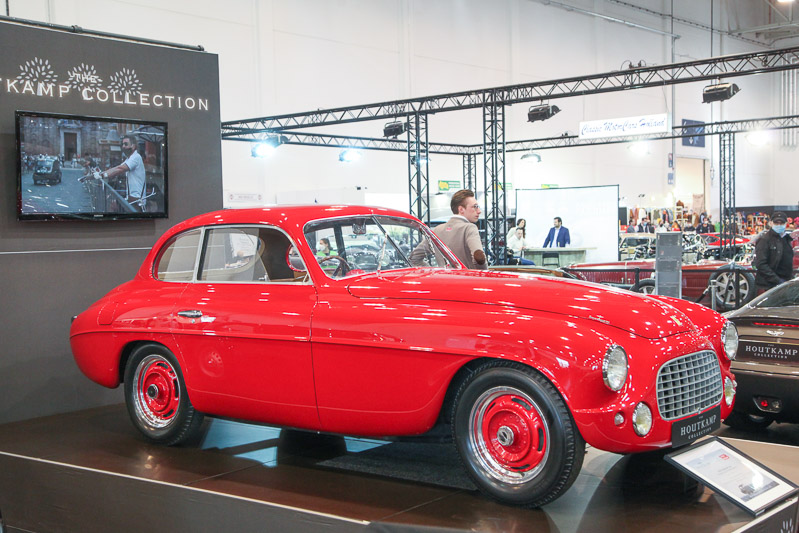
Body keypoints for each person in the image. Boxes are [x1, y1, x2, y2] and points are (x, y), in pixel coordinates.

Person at [410, 189, 487, 269]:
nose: (479, 211)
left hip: (443, 279)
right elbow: (478, 258)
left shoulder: (437, 230)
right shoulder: (470, 228)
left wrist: (434, 271)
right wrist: (484, 276)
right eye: (475, 207)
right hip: (468, 279)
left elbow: (414, 258)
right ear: (461, 209)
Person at [96, 134, 146, 209]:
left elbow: (120, 169)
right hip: (132, 198)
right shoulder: (129, 159)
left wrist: (103, 175)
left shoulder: (136, 157)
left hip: (137, 199)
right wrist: (101, 173)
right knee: (113, 207)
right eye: (122, 144)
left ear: (133, 146)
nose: (123, 146)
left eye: (126, 144)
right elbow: (117, 168)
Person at [754, 211, 794, 292]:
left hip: (784, 282)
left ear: (786, 223)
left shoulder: (787, 239)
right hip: (769, 285)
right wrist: (777, 280)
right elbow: (760, 264)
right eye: (776, 223)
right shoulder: (764, 240)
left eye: (781, 223)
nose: (779, 225)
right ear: (771, 223)